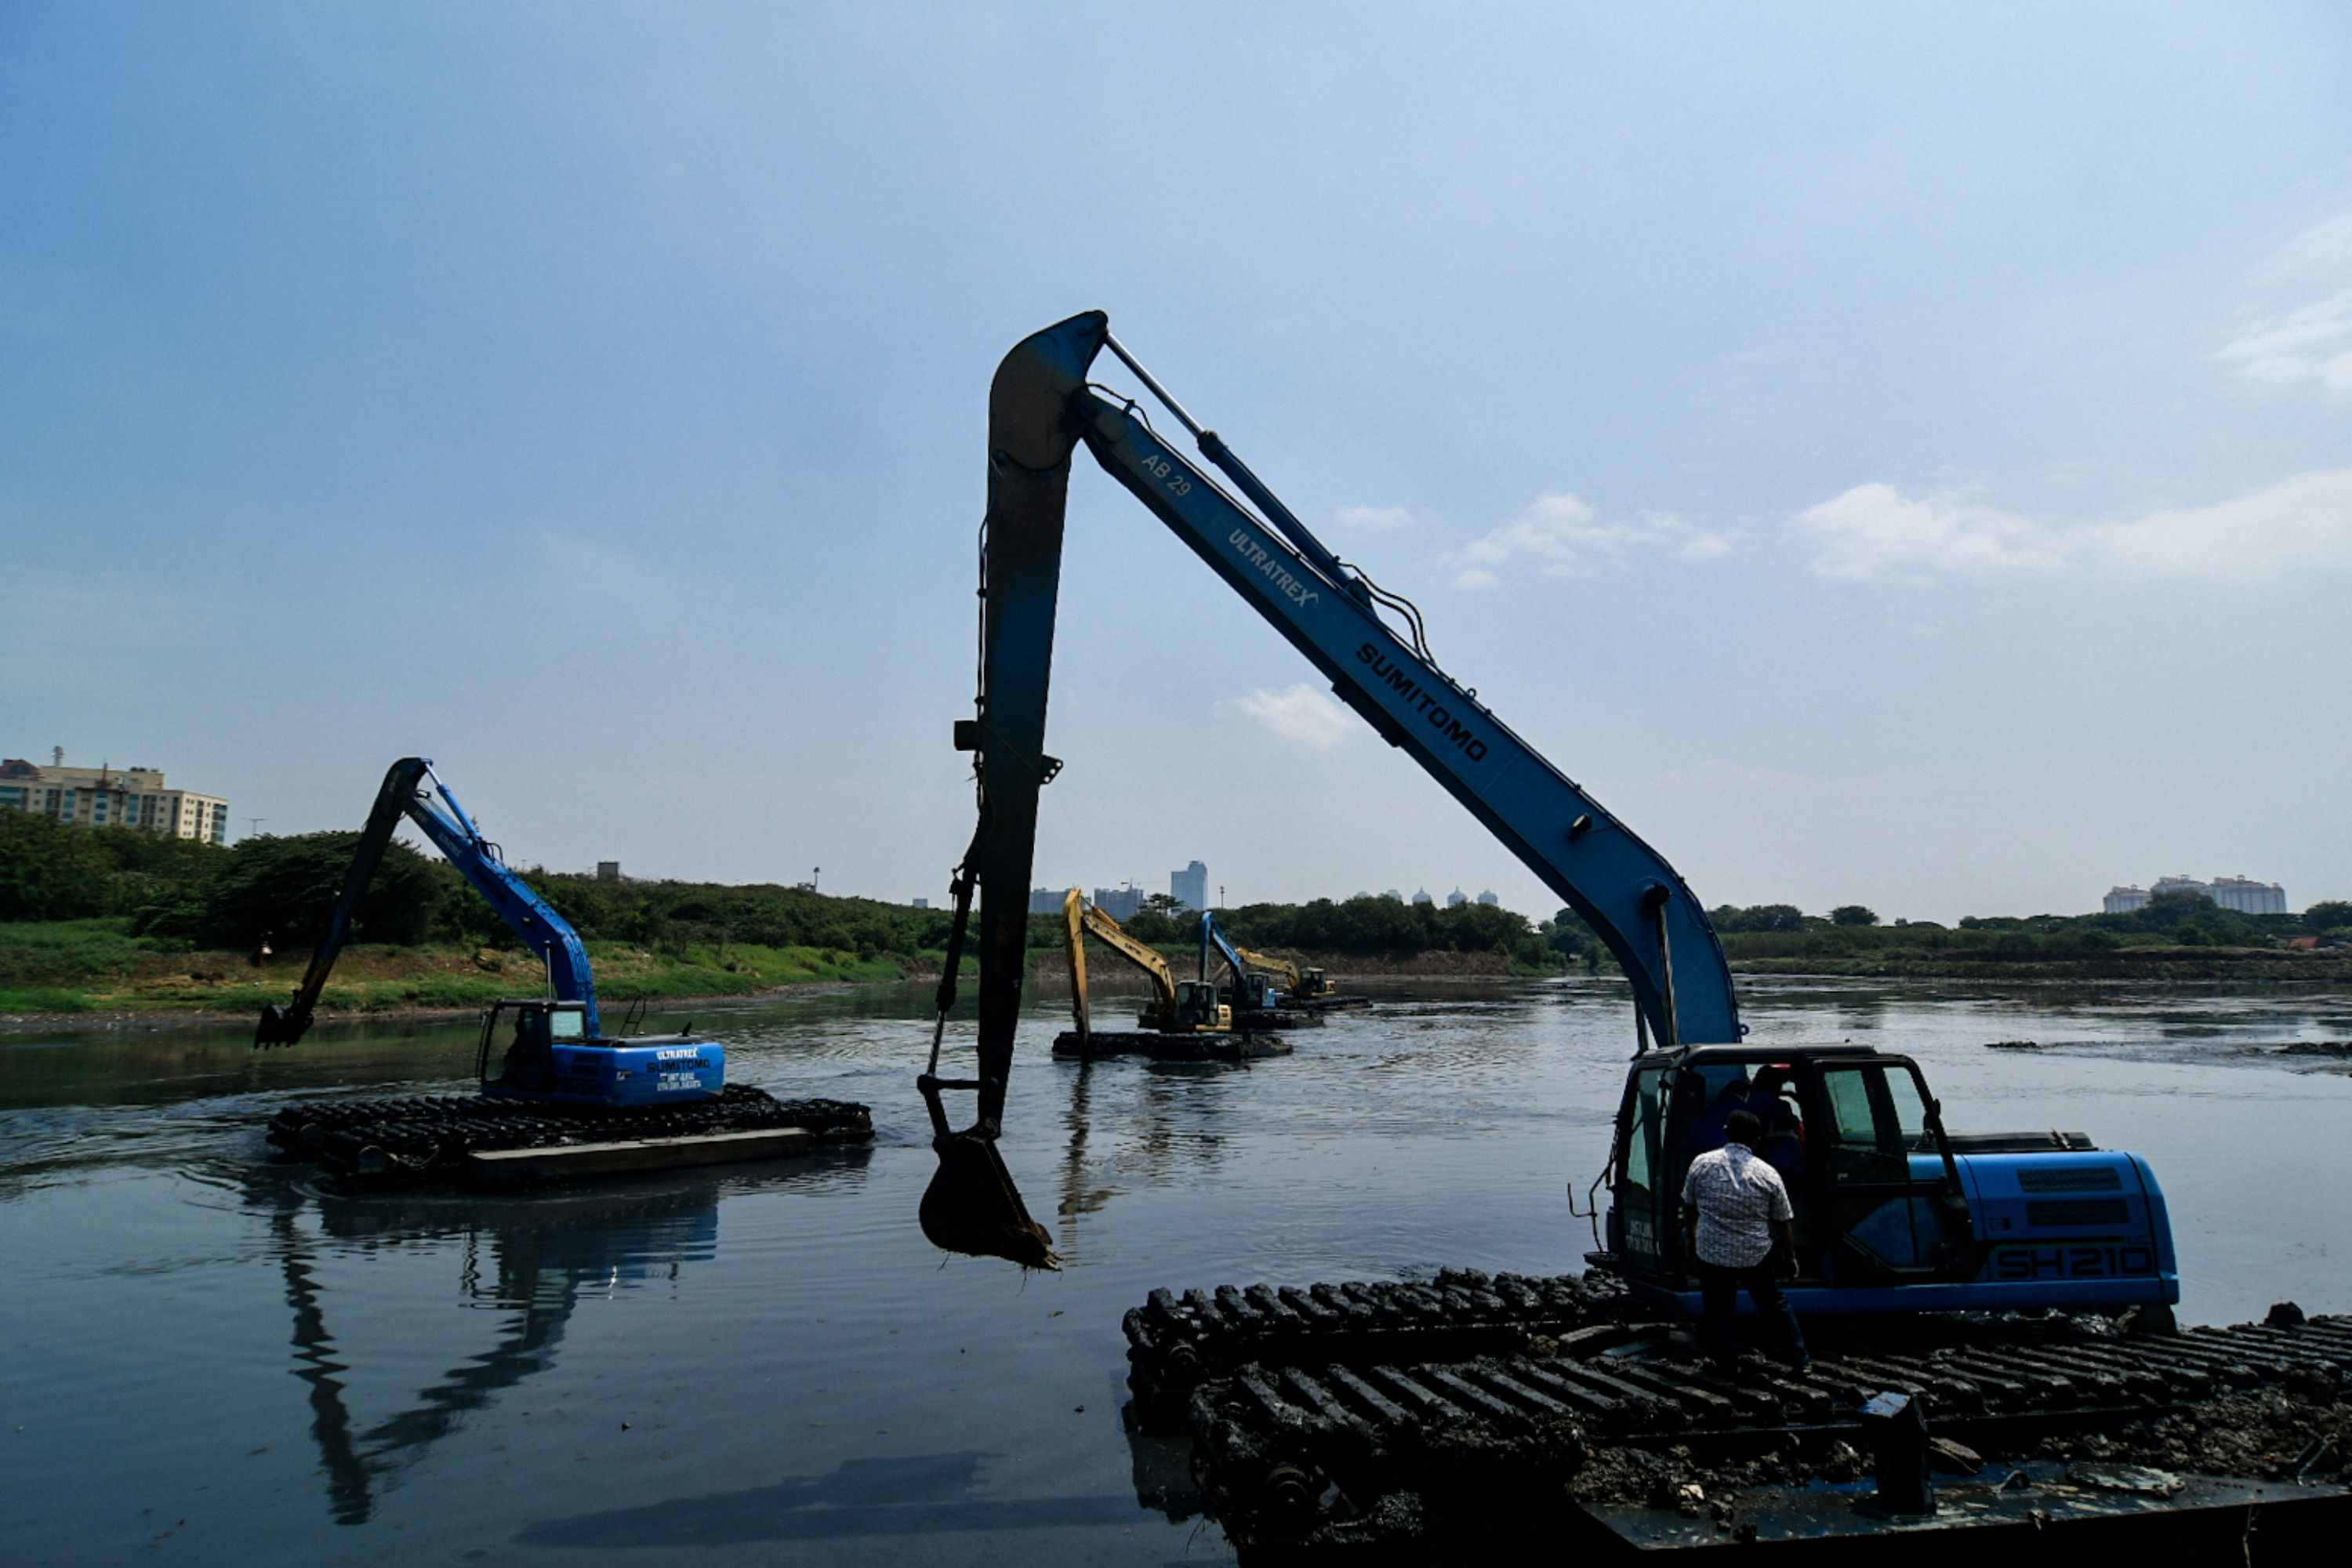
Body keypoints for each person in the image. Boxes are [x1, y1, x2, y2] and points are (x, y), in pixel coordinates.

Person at [1681, 1109, 1809, 1372]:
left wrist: (1692, 1238)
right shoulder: (1768, 1174)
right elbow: (1782, 1222)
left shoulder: (1701, 1164)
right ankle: (1799, 1359)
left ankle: (1727, 1364)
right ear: (1757, 1140)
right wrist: (1790, 1256)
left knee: (1719, 1311)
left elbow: (1689, 1205)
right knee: (1774, 1305)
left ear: (1726, 1132)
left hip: (1712, 1252)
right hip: (1755, 1254)